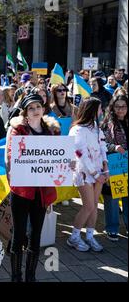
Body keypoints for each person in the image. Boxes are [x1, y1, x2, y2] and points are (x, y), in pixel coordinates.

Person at [6, 93, 61, 282]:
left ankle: (30, 276)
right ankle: (15, 276)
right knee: (19, 235)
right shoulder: (18, 130)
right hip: (22, 191)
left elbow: (59, 158)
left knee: (35, 235)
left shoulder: (52, 131)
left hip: (42, 191)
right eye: (31, 108)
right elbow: (13, 155)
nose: (36, 110)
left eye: (38, 106)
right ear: (25, 112)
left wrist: (66, 164)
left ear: (43, 109)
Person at [68, 97, 108, 252]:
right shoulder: (77, 130)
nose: (101, 111)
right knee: (88, 206)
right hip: (83, 173)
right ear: (92, 110)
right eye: (99, 108)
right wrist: (94, 173)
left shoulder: (98, 128)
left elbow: (103, 148)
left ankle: (90, 236)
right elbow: (80, 154)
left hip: (99, 172)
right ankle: (74, 237)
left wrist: (105, 169)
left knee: (94, 207)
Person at [101, 95, 128, 240]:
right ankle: (112, 228)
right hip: (114, 162)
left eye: (123, 106)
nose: (120, 109)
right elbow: (100, 144)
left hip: (126, 163)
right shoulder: (107, 124)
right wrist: (114, 147)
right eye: (117, 106)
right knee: (112, 197)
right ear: (112, 107)